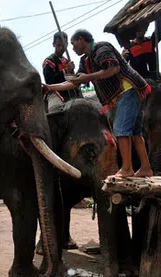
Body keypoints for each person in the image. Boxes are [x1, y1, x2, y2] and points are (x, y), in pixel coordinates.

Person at [43, 29, 153, 177]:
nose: (73, 48)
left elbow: (113, 68)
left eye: (73, 43)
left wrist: (87, 77)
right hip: (125, 93)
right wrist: (49, 87)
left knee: (120, 129)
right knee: (135, 132)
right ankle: (146, 167)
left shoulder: (101, 48)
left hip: (127, 90)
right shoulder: (86, 60)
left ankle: (127, 168)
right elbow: (75, 82)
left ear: (81, 40)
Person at [42, 32, 81, 110]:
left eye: (64, 45)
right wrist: (66, 70)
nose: (61, 48)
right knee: (55, 112)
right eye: (58, 45)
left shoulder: (67, 61)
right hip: (55, 93)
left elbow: (73, 81)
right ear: (53, 44)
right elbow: (49, 82)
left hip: (71, 93)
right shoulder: (49, 61)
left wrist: (71, 72)